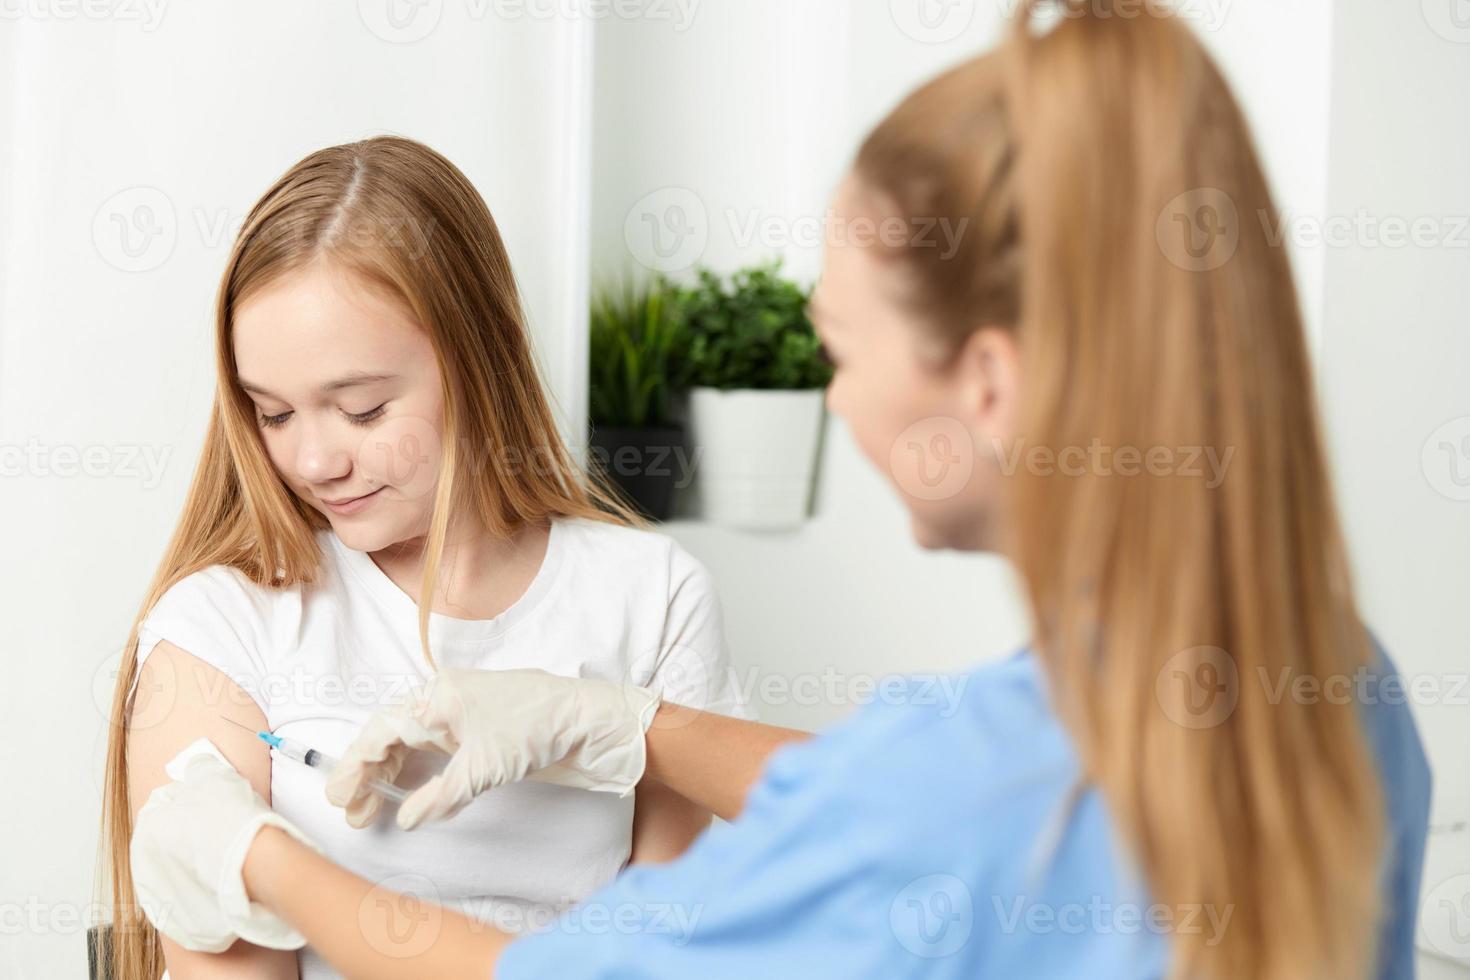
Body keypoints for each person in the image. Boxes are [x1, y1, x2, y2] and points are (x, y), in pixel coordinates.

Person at [127, 3, 1432, 978]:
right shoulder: (1338, 691)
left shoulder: (952, 789)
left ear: (984, 382)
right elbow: (871, 792)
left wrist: (258, 860)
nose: (833, 393)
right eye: (277, 409)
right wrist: (624, 723)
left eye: (841, 347)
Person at [101, 135, 751, 980]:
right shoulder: (223, 623)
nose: (312, 463)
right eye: (273, 414)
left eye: (363, 410)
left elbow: (664, 958)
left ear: (480, 357)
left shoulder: (653, 598)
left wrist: (278, 868)